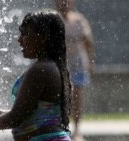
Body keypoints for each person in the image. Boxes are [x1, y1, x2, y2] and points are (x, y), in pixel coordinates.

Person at [0, 9, 72, 141]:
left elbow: (14, 119)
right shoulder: (49, 67)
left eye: (25, 34)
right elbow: (24, 115)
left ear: (43, 36)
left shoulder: (40, 70)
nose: (19, 40)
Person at [54, 0, 95, 141]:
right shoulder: (52, 19)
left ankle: (77, 131)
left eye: (66, 2)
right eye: (60, 2)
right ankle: (61, 128)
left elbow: (88, 43)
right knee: (60, 98)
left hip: (78, 64)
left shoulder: (79, 20)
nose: (63, 5)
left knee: (77, 99)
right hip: (60, 66)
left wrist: (91, 63)